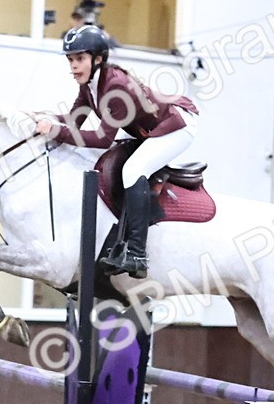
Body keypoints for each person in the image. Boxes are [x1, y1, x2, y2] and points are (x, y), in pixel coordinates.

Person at [35, 25, 198, 279]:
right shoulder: (90, 84)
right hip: (147, 128)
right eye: (70, 59)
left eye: (79, 59)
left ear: (98, 59)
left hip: (176, 127)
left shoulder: (114, 86)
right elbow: (74, 121)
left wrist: (54, 130)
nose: (73, 66)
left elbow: (101, 139)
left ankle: (136, 253)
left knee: (133, 169)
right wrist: (42, 117)